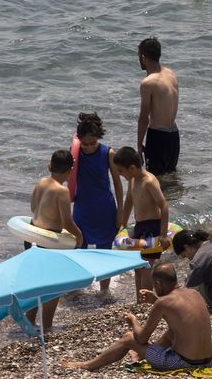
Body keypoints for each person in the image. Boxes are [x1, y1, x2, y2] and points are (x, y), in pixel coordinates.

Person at [62, 263, 212, 372]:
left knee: (129, 338)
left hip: (182, 362)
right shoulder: (194, 293)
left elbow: (141, 338)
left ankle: (87, 365)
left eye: (155, 285)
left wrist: (133, 321)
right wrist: (155, 299)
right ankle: (138, 355)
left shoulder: (163, 302)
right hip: (207, 361)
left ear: (158, 283)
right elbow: (178, 314)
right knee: (172, 331)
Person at [25, 150, 83, 332]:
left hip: (32, 236)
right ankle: (47, 326)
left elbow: (33, 207)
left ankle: (30, 322)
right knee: (54, 285)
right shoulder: (62, 190)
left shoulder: (41, 182)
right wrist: (79, 237)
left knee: (34, 283)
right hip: (49, 241)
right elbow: (67, 222)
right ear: (70, 171)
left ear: (50, 166)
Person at [73, 112, 124, 295]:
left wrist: (121, 212)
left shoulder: (107, 153)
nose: (88, 148)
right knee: (78, 249)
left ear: (98, 138)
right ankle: (77, 289)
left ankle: (104, 290)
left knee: (104, 252)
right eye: (85, 144)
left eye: (92, 143)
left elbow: (118, 183)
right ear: (79, 140)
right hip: (82, 208)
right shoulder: (75, 152)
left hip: (105, 209)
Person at [113, 147, 169, 302]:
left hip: (152, 226)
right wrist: (123, 223)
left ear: (131, 168)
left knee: (146, 266)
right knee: (138, 266)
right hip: (139, 225)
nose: (119, 174)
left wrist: (163, 235)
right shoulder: (132, 180)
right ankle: (140, 299)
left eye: (120, 171)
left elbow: (164, 205)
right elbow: (129, 201)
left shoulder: (148, 182)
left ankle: (147, 300)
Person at [136, 37, 180, 176]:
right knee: (170, 178)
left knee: (154, 180)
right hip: (173, 135)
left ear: (143, 57)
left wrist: (139, 146)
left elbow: (144, 118)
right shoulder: (171, 74)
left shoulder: (148, 83)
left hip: (158, 137)